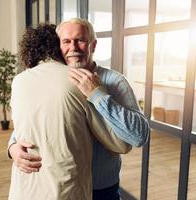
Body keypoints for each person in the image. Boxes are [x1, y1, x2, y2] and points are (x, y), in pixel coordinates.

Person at [8, 18, 150, 200]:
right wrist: (12, 147)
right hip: (65, 187)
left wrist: (97, 94)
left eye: (80, 40)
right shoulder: (54, 80)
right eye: (66, 41)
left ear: (93, 45)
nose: (73, 47)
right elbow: (32, 120)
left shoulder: (115, 81)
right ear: (57, 46)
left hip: (101, 187)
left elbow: (139, 137)